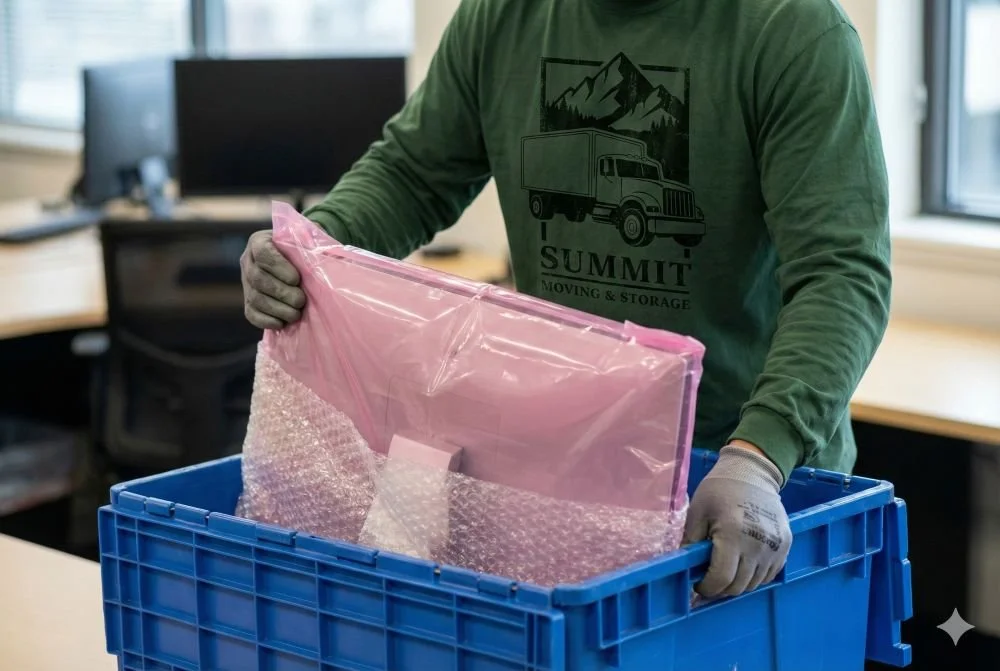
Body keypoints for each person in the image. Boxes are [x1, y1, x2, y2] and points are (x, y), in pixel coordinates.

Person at [240, 0, 891, 598]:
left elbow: (841, 273)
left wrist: (757, 459)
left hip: (743, 484)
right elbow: (411, 173)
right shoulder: (501, 16)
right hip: (562, 472)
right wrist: (310, 246)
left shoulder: (792, 29)